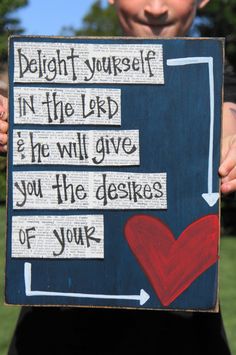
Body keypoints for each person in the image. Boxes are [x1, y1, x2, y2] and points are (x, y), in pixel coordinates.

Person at [1, 1, 235, 354]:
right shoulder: (51, 73)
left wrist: (229, 128)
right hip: (51, 334)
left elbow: (229, 107)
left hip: (183, 338)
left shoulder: (220, 80)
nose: (156, 8)